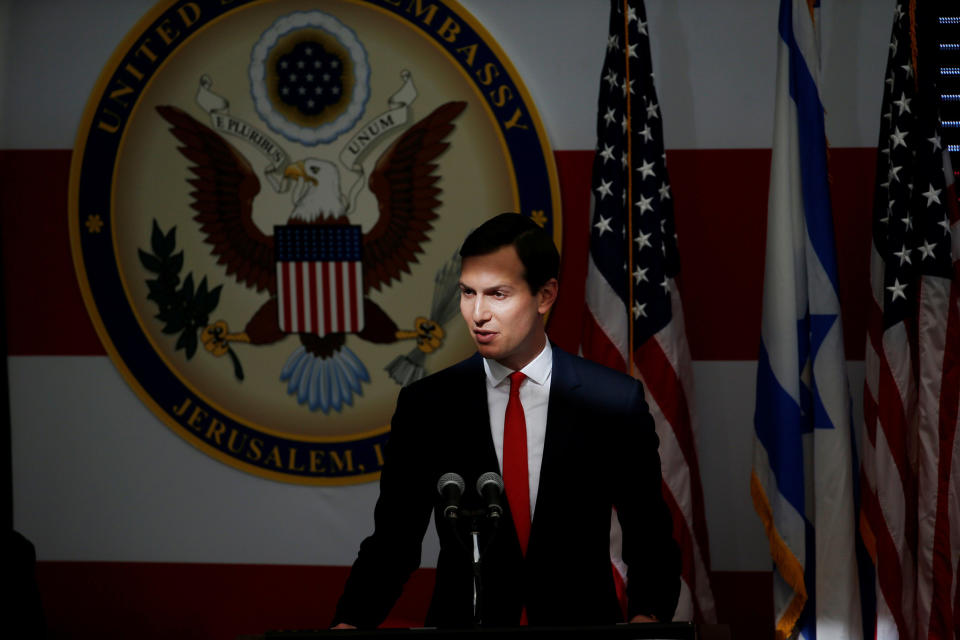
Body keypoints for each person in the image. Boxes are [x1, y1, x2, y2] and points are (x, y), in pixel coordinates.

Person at [332, 212, 680, 628]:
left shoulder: (612, 402)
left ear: (545, 295)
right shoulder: (427, 405)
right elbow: (394, 543)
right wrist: (348, 626)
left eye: (497, 294)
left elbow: (649, 537)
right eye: (467, 293)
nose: (477, 314)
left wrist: (647, 619)